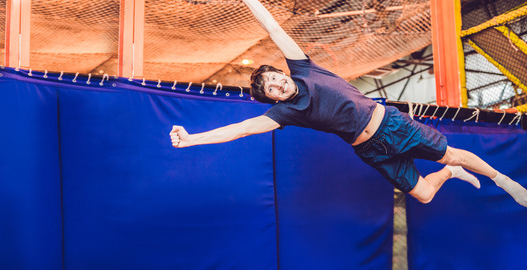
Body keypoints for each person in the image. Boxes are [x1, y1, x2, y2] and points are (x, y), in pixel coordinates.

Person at [170, 0, 527, 207]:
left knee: (453, 152)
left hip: (391, 125)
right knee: (424, 196)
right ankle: (450, 174)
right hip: (371, 149)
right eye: (272, 90)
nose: (278, 86)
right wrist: (192, 138)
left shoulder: (302, 67)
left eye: (276, 79)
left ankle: (503, 180)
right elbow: (239, 130)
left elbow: (275, 30)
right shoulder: (284, 113)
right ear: (272, 99)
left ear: (282, 73)